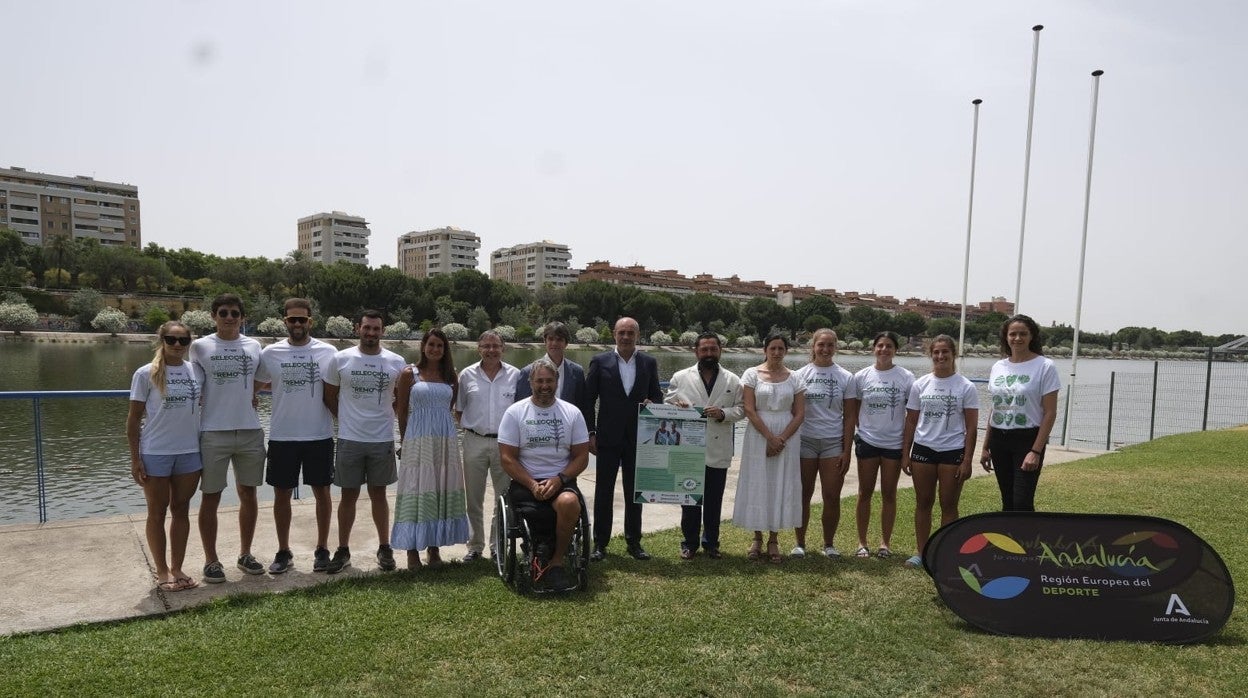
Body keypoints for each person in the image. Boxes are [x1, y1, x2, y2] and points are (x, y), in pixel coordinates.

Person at [254, 298, 338, 575]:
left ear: (311, 321)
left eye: (302, 319)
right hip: (283, 435)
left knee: (322, 493)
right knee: (281, 495)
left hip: (319, 434)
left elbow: (338, 388)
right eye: (293, 320)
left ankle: (323, 548)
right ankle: (283, 550)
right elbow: (254, 384)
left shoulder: (328, 352)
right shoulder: (270, 353)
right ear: (285, 322)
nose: (298, 324)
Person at [322, 310, 406, 573]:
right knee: (348, 495)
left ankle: (384, 547)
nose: (371, 333)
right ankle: (343, 549)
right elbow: (330, 396)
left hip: (382, 439)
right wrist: (347, 420)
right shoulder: (341, 359)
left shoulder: (396, 361)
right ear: (358, 328)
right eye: (366, 328)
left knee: (379, 494)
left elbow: (400, 399)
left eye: (376, 329)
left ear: (383, 330)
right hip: (350, 438)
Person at [190, 293, 266, 583]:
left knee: (249, 494)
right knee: (211, 496)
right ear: (213, 316)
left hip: (249, 431)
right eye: (223, 312)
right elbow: (194, 383)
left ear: (242, 317)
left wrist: (253, 393)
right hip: (213, 431)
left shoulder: (254, 345)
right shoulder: (199, 347)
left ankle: (245, 554)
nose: (229, 317)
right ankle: (211, 560)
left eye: (235, 313)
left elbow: (261, 377)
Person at [498, 358, 590, 591]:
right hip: (525, 480)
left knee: (569, 502)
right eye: (539, 380)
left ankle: (557, 561)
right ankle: (539, 550)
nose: (544, 385)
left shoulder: (572, 412)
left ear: (557, 382)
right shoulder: (515, 412)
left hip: (561, 479)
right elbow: (507, 458)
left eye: (549, 380)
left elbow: (581, 457)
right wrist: (531, 484)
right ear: (531, 382)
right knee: (532, 508)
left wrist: (559, 479)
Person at [126, 321, 205, 592]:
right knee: (157, 513)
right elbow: (134, 420)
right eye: (171, 339)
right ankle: (162, 571)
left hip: (189, 452)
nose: (177, 345)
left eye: (183, 341)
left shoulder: (196, 371)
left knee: (181, 510)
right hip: (155, 452)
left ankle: (178, 567)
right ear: (162, 341)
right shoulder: (145, 373)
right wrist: (135, 459)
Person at [585, 317, 664, 561]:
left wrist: (654, 403)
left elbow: (657, 397)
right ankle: (600, 543)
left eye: (630, 332)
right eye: (622, 332)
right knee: (603, 491)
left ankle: (634, 542)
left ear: (637, 335)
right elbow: (588, 400)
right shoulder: (600, 361)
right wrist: (590, 432)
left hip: (639, 438)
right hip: (607, 437)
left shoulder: (648, 362)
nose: (626, 337)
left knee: (634, 492)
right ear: (614, 334)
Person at [391, 328, 469, 570]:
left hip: (444, 439)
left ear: (444, 350)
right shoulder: (409, 374)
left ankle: (433, 548)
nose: (435, 349)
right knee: (416, 489)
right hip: (418, 438)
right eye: (431, 344)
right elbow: (402, 412)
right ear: (423, 346)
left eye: (440, 346)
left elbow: (450, 406)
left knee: (439, 488)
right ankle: (412, 551)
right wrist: (405, 442)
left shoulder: (450, 376)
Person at [664, 332, 745, 560]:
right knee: (689, 499)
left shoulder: (732, 380)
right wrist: (676, 406)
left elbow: (742, 409)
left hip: (718, 448)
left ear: (720, 350)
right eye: (704, 349)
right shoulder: (681, 376)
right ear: (696, 352)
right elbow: (667, 402)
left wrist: (723, 413)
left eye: (713, 349)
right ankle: (689, 543)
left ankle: (711, 543)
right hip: (689, 449)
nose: (708, 353)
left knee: (713, 500)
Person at [900, 335, 979, 568]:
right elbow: (911, 422)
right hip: (923, 450)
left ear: (953, 354)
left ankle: (945, 554)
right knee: (923, 503)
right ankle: (922, 553)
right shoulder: (920, 384)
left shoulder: (966, 386)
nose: (940, 356)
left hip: (952, 452)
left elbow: (972, 427)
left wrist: (967, 460)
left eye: (945, 352)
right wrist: (906, 453)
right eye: (936, 352)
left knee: (949, 505)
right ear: (930, 355)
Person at [733, 333, 806, 564]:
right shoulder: (751, 374)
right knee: (758, 482)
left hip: (787, 436)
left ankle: (774, 539)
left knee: (781, 483)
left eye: (781, 349)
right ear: (765, 350)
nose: (776, 352)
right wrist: (769, 438)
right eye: (772, 348)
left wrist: (781, 438)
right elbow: (749, 409)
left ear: (786, 351)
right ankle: (757, 537)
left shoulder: (795, 378)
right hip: (758, 434)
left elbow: (800, 413)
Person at [844, 331, 914, 559]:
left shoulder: (906, 377)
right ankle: (862, 543)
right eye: (880, 346)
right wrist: (854, 438)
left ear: (896, 350)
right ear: (874, 348)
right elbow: (852, 413)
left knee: (889, 494)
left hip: (893, 444)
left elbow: (912, 416)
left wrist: (906, 450)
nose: (884, 350)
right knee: (864, 493)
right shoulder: (861, 377)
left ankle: (885, 543)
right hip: (868, 442)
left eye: (889, 346)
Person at [980, 314, 1060, 511]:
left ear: (1032, 336)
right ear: (1006, 337)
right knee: (1007, 500)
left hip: (1027, 439)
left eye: (1023, 334)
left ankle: (1027, 540)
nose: (1017, 338)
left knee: (1022, 501)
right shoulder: (998, 366)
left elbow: (1050, 413)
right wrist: (985, 446)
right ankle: (1009, 541)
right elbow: (996, 407)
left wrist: (1035, 451)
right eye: (1012, 334)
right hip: (999, 439)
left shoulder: (1045, 366)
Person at [454, 330, 520, 562]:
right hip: (474, 440)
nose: (491, 350)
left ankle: (496, 545)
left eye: (496, 346)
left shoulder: (515, 375)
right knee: (473, 496)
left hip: (505, 444)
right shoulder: (466, 375)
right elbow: (459, 410)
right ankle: (475, 546)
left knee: (503, 497)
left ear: (503, 348)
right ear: (478, 348)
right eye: (486, 346)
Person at [792, 328, 854, 559]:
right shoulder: (799, 375)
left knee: (831, 496)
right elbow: (793, 411)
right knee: (803, 494)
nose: (825, 350)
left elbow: (849, 418)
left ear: (835, 347)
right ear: (813, 347)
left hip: (832, 444)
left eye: (830, 345)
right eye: (821, 345)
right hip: (805, 441)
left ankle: (829, 544)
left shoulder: (846, 377)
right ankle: (800, 543)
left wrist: (847, 451)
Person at [514, 321, 588, 419]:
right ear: (545, 341)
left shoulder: (577, 372)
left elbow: (581, 406)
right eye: (551, 339)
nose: (554, 343)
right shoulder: (528, 372)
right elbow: (520, 409)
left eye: (559, 339)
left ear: (566, 343)